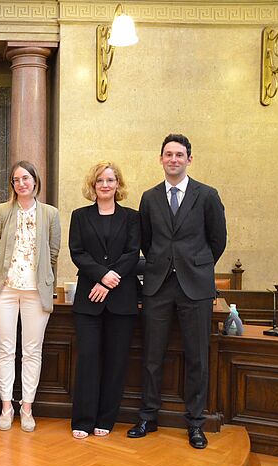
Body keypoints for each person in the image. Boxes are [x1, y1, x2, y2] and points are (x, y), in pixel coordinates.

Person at [128, 134, 226, 449]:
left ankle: (195, 423)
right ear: (161, 159)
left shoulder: (207, 195)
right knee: (152, 356)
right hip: (157, 286)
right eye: (168, 154)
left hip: (195, 287)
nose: (173, 159)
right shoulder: (149, 197)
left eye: (179, 155)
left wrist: (195, 265)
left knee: (197, 357)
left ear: (189, 160)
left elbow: (217, 240)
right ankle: (148, 416)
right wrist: (162, 263)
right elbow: (146, 239)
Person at [0, 160, 60, 432]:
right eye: (16, 180)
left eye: (26, 178)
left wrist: (46, 282)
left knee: (32, 351)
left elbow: (53, 253)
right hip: (4, 291)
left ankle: (26, 407)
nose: (21, 183)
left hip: (35, 292)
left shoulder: (50, 214)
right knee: (5, 349)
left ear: (35, 181)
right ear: (12, 185)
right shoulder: (2, 211)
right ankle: (6, 407)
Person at [69, 161, 140, 439]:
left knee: (116, 361)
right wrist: (102, 276)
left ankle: (106, 419)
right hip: (89, 299)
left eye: (111, 180)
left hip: (121, 300)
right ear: (93, 185)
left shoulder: (132, 218)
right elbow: (77, 252)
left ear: (118, 185)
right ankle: (83, 420)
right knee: (87, 359)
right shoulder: (80, 215)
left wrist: (110, 281)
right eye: (100, 180)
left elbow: (133, 253)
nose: (105, 185)